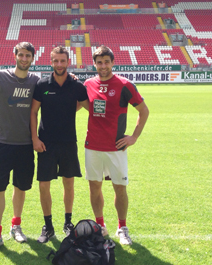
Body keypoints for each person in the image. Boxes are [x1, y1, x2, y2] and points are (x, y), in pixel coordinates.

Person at [83, 45, 149, 245]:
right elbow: (82, 106)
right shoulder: (87, 84)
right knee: (95, 187)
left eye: (106, 62)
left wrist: (134, 137)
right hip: (92, 146)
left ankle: (122, 227)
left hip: (116, 148)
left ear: (112, 62)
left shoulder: (124, 84)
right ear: (94, 64)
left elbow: (144, 111)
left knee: (119, 188)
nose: (103, 66)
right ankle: (100, 226)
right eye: (99, 62)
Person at [0, 42, 40, 255]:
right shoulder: (0, 76)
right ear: (15, 55)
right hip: (2, 145)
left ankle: (16, 226)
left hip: (25, 146)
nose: (24, 59)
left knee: (20, 188)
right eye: (21, 55)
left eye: (28, 56)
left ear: (33, 58)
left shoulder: (36, 80)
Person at [30, 46, 89, 243]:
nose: (59, 64)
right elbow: (33, 112)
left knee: (69, 183)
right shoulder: (42, 84)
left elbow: (87, 105)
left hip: (68, 142)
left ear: (68, 62)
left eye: (63, 61)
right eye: (56, 61)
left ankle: (68, 222)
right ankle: (48, 226)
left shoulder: (76, 85)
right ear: (51, 61)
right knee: (44, 185)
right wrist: (34, 139)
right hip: (45, 143)